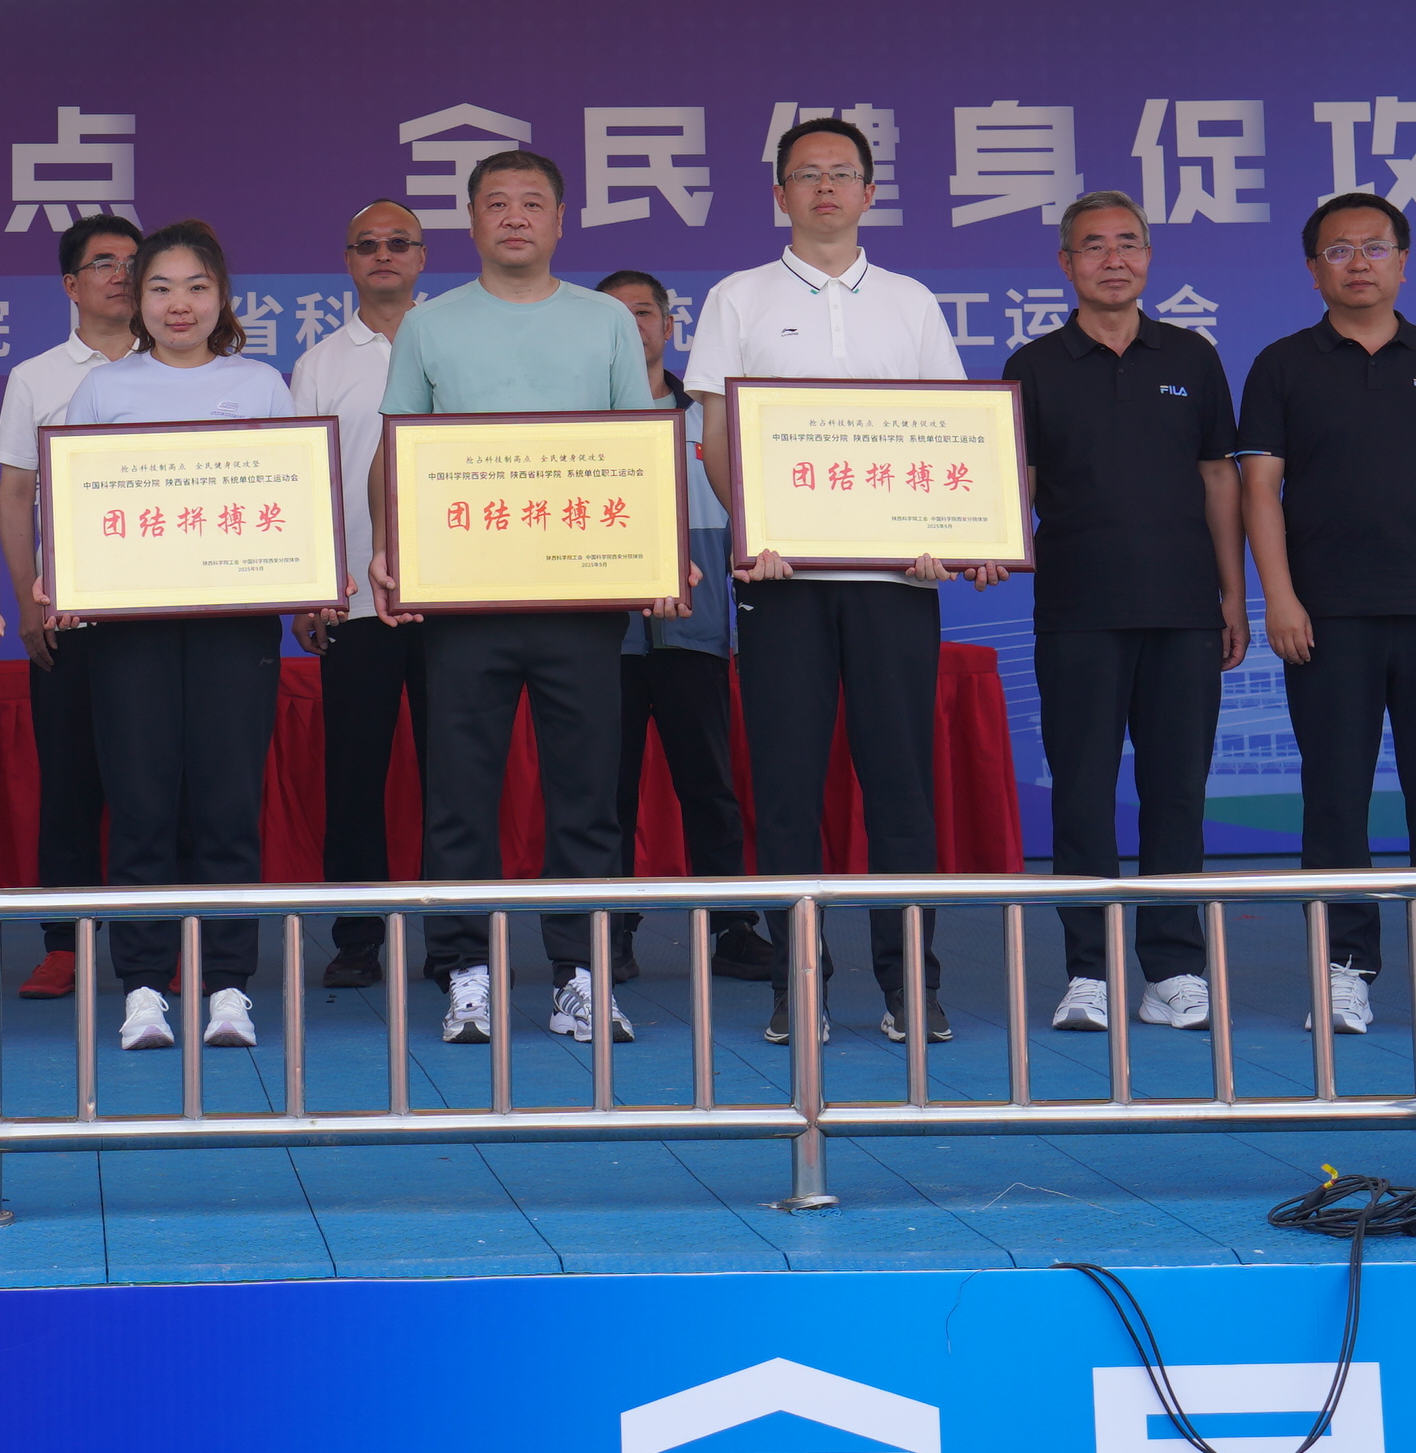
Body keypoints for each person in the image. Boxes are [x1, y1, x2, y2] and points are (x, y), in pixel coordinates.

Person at [687, 116, 1001, 1049]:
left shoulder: (909, 301)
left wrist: (950, 535)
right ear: (778, 194)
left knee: (900, 786)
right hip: (781, 579)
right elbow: (716, 437)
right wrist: (755, 530)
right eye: (806, 174)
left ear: (870, 192)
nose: (824, 187)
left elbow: (948, 430)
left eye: (841, 173)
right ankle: (800, 984)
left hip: (896, 582)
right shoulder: (738, 297)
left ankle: (911, 984)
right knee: (785, 788)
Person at [372, 149, 666, 1048]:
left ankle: (581, 973)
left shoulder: (604, 321)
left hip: (581, 599)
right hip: (465, 603)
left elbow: (638, 446)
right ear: (471, 222)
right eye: (495, 203)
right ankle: (465, 970)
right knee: (460, 793)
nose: (513, 217)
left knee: (587, 793)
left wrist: (656, 555)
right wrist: (388, 549)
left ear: (560, 221)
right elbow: (395, 450)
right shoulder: (429, 325)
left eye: (532, 203)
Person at [1235, 193, 1416, 1039]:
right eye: (1338, 250)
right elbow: (1258, 488)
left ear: (1403, 261)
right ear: (1312, 268)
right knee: (1334, 799)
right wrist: (1280, 596)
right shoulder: (1283, 365)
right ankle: (1345, 969)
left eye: (1375, 247)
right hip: (1326, 620)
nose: (1358, 263)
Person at [42, 220, 294, 1051]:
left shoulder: (259, 384)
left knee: (228, 808)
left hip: (236, 630)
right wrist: (61, 577)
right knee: (141, 807)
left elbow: (293, 501)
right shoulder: (104, 390)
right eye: (159, 287)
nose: (178, 304)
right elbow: (74, 504)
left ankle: (228, 986)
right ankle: (144, 986)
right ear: (135, 298)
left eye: (195, 287)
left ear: (222, 297)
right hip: (131, 632)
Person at [1003, 194, 1244, 1036]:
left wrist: (1231, 594)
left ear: (1149, 257)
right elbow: (1016, 484)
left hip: (1184, 609)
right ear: (1065, 264)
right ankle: (1089, 971)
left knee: (1176, 792)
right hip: (1078, 609)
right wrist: (987, 544)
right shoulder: (1034, 364)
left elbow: (1219, 476)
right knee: (1081, 794)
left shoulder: (1192, 356)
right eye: (1094, 246)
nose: (1114, 260)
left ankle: (1173, 968)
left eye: (1129, 244)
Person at [596, 269, 766, 986]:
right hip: (606, 640)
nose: (631, 325)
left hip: (696, 633)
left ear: (669, 326)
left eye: (644, 312)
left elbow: (746, 521)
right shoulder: (580, 418)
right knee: (606, 791)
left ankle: (731, 927)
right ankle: (610, 930)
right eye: (614, 314)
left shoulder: (708, 419)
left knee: (709, 786)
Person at [0, 213, 142, 1001]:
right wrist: (27, 598)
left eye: (133, 261)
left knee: (160, 783)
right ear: (70, 285)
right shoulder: (37, 376)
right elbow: (16, 491)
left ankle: (162, 940)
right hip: (70, 615)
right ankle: (66, 944)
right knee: (70, 783)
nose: (122, 275)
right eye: (104, 262)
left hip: (161, 616)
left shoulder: (182, 364)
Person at [293, 200, 431, 986]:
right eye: (368, 245)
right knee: (353, 774)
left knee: (456, 775)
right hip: (350, 597)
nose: (384, 255)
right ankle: (356, 938)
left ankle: (459, 944)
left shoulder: (452, 340)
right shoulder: (318, 364)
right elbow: (302, 482)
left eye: (399, 243)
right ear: (348, 261)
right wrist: (311, 588)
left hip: (452, 599)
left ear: (422, 257)